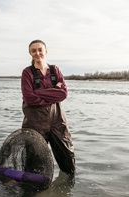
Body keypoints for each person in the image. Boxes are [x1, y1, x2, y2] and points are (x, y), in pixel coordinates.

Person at [20, 39, 75, 176]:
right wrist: (52, 92)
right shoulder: (27, 73)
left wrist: (38, 92)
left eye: (40, 49)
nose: (37, 53)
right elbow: (29, 98)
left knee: (68, 157)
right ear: (30, 53)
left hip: (57, 121)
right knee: (34, 162)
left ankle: (68, 185)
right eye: (34, 51)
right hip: (34, 123)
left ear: (46, 51)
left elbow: (63, 94)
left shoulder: (55, 70)